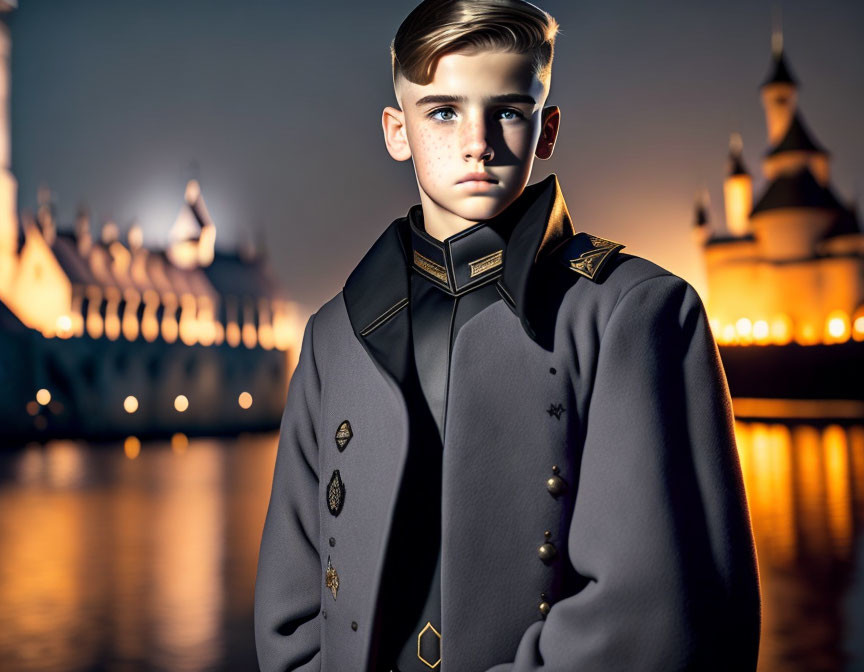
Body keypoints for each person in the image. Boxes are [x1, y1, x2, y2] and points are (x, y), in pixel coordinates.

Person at [253, 0, 762, 670]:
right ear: (395, 130)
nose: (478, 142)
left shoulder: (635, 313)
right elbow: (290, 620)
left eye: (509, 111)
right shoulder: (333, 337)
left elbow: (658, 614)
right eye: (443, 111)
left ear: (546, 129)